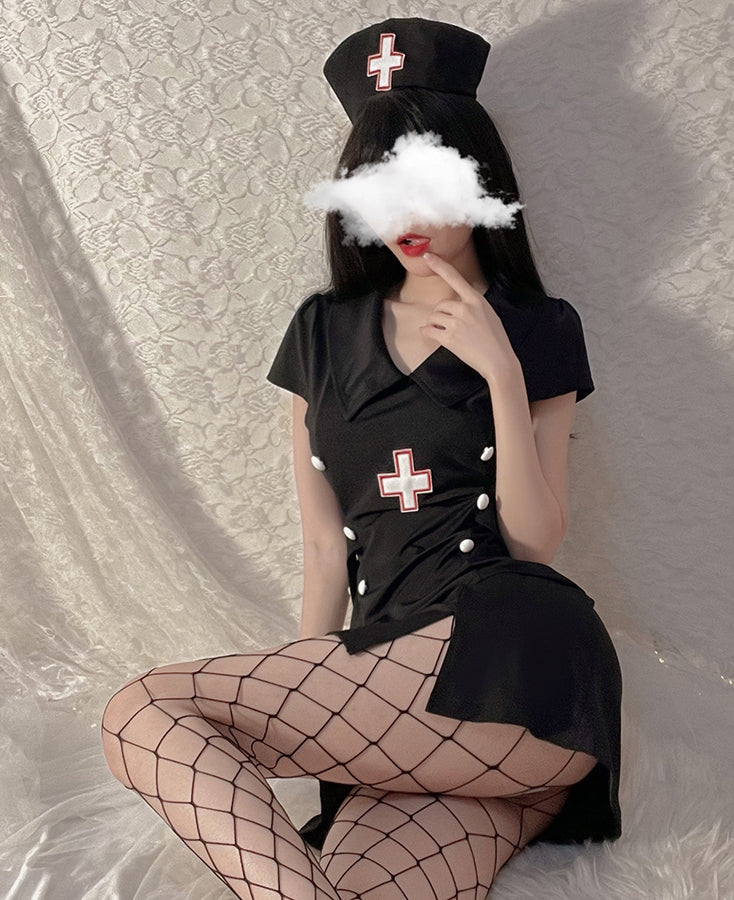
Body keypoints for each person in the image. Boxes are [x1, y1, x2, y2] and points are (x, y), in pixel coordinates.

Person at [101, 17, 622, 900]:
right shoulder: (320, 333)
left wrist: (501, 372)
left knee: (142, 708)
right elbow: (321, 552)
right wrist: (323, 720)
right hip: (394, 699)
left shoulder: (538, 326)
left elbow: (537, 542)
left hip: (518, 661)